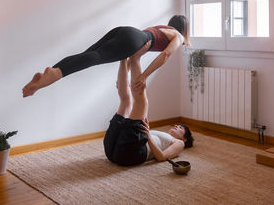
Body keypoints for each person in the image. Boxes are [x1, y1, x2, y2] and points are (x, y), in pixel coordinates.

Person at [22, 15, 190, 97]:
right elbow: (166, 54)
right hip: (134, 39)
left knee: (88, 55)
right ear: (184, 29)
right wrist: (144, 76)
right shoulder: (179, 37)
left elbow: (140, 47)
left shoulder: (163, 28)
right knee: (97, 57)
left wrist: (125, 76)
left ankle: (54, 70)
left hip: (127, 30)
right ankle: (55, 74)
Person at [103, 43, 194, 166]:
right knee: (126, 101)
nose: (177, 126)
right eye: (178, 125)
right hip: (112, 151)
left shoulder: (179, 144)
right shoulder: (164, 135)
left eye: (181, 128)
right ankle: (123, 58)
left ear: (184, 139)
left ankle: (135, 57)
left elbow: (161, 157)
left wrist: (148, 136)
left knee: (142, 102)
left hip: (130, 155)